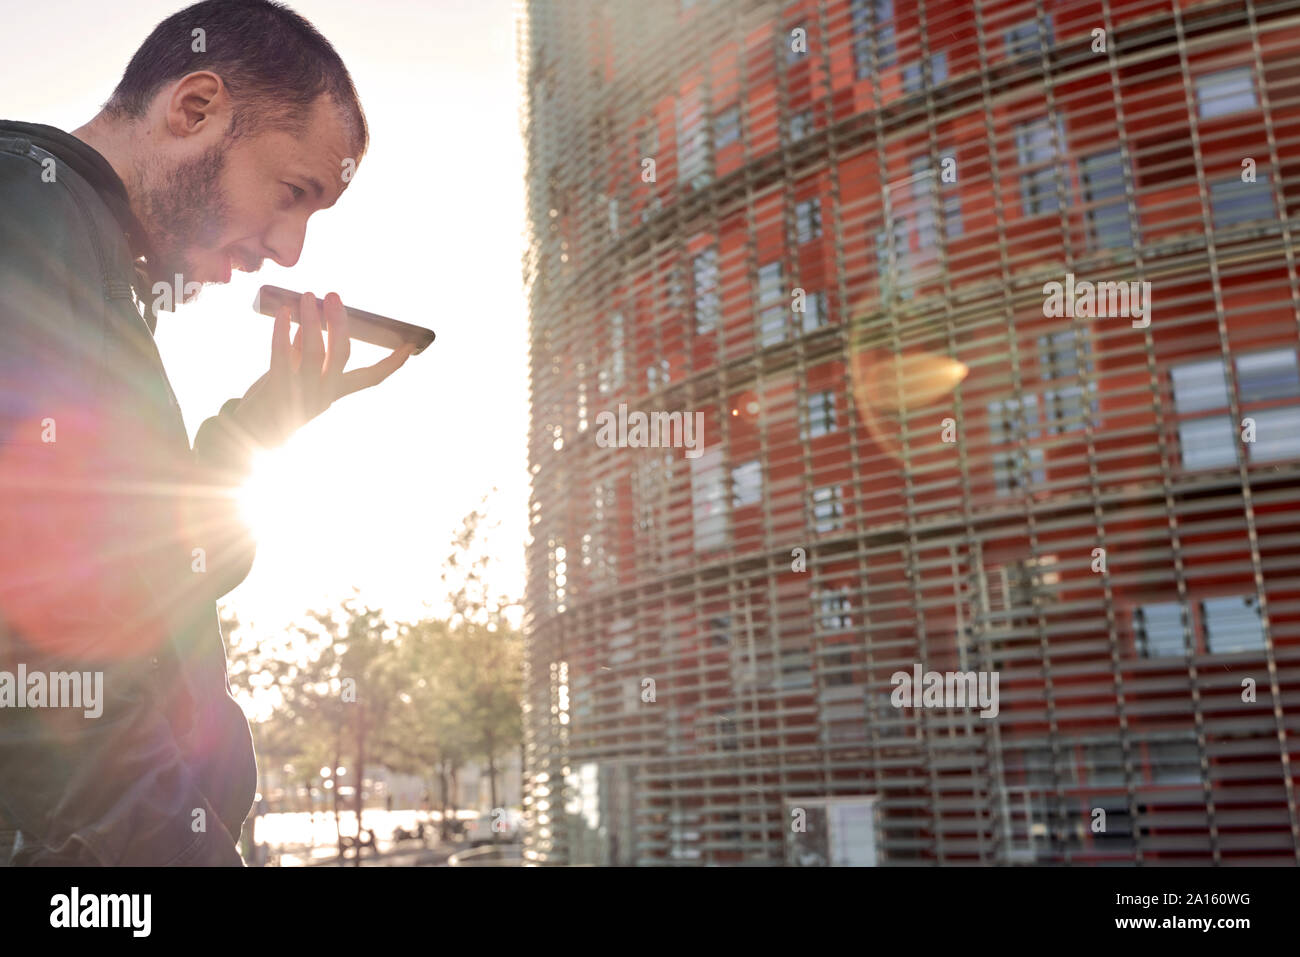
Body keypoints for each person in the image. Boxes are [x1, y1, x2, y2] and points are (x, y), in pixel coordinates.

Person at [0, 0, 411, 865]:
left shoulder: (82, 245)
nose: (291, 249)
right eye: (293, 193)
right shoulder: (26, 211)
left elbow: (150, 580)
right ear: (194, 110)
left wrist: (267, 424)